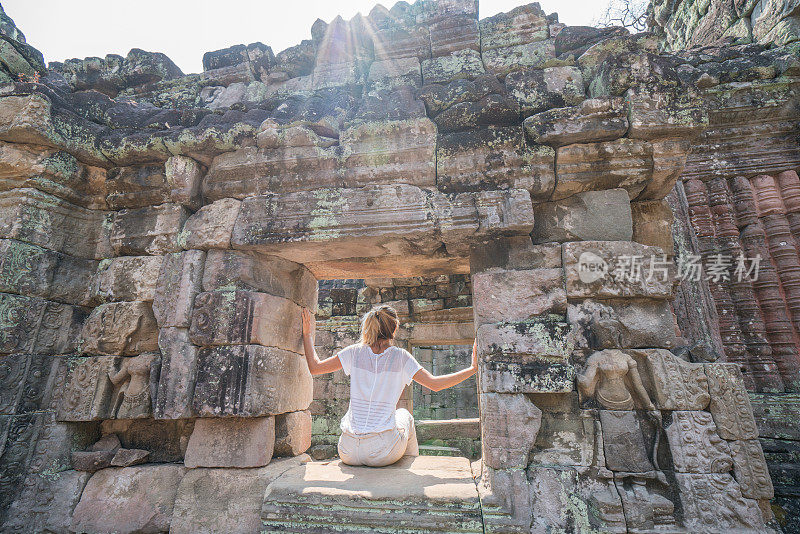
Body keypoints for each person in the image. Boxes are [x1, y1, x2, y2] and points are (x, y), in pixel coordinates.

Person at [301, 304, 478, 467]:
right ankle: (409, 466)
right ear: (394, 329)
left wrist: (307, 334)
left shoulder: (354, 352)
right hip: (381, 451)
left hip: (347, 449)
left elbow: (315, 368)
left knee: (396, 416)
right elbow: (435, 384)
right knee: (404, 415)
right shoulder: (400, 357)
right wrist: (472, 369)